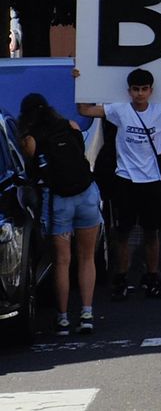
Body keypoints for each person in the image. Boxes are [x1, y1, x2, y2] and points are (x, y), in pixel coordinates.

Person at [76, 67, 161, 299]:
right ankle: (121, 277)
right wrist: (81, 83)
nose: (140, 94)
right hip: (125, 179)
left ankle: (152, 277)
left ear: (151, 91)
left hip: (152, 180)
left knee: (151, 233)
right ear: (129, 91)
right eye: (136, 89)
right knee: (122, 233)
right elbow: (84, 109)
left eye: (144, 89)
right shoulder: (120, 110)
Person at [18, 94, 98, 336]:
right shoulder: (70, 126)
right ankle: (87, 314)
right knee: (87, 257)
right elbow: (80, 152)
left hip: (58, 200)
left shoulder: (30, 139)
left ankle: (62, 318)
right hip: (86, 193)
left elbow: (29, 168)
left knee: (62, 261)